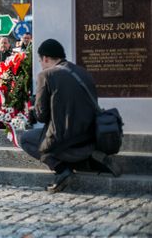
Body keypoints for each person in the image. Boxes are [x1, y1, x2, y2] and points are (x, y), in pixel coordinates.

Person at [20, 39, 120, 193]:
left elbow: (41, 116)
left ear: (45, 58)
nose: (41, 64)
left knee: (26, 139)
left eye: (40, 61)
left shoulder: (46, 75)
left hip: (66, 140)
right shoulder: (83, 72)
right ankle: (91, 159)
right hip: (91, 137)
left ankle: (62, 170)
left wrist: (33, 110)